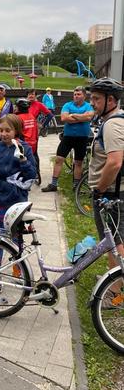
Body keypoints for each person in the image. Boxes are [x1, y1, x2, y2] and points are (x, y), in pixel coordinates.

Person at [88, 77, 124, 272]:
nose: (92, 103)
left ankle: (114, 290)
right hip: (114, 190)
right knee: (118, 238)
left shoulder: (112, 124)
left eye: (96, 99)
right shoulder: (118, 119)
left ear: (111, 100)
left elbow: (115, 162)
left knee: (114, 241)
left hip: (110, 193)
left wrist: (99, 190)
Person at [42, 86, 94, 192]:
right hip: (67, 137)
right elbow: (64, 118)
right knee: (59, 159)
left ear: (84, 95)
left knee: (78, 162)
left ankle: (76, 186)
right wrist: (81, 118)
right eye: (75, 94)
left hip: (82, 138)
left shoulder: (89, 106)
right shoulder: (67, 105)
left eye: (78, 94)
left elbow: (89, 117)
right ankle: (53, 184)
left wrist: (73, 115)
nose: (76, 96)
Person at [14, 98, 39, 176]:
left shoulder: (17, 118)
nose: (15, 108)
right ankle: (37, 171)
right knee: (35, 156)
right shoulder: (32, 116)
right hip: (34, 143)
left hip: (23, 144)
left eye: (16, 106)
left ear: (19, 108)